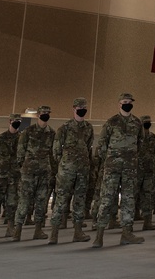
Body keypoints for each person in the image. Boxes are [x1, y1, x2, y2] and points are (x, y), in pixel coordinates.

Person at [94, 93, 144, 248]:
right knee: (107, 198)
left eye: (129, 102)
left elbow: (140, 144)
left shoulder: (137, 123)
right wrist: (109, 160)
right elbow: (102, 144)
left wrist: (133, 158)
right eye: (124, 102)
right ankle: (99, 234)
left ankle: (126, 233)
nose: (127, 104)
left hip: (130, 168)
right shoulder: (111, 122)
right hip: (112, 167)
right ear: (119, 104)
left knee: (129, 199)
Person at [50, 97, 93, 244]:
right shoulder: (64, 128)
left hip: (82, 170)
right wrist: (65, 164)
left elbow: (88, 147)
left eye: (84, 107)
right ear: (73, 108)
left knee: (80, 200)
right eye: (79, 107)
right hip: (67, 171)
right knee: (61, 199)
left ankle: (78, 231)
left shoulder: (88, 128)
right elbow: (56, 150)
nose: (82, 109)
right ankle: (54, 232)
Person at [12, 105, 55, 242]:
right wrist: (24, 166)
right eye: (43, 113)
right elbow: (20, 151)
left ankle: (38, 230)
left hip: (44, 172)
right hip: (29, 172)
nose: (45, 115)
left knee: (41, 202)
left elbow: (53, 153)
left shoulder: (52, 133)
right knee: (24, 200)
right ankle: (17, 230)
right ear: (38, 115)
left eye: (48, 113)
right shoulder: (28, 132)